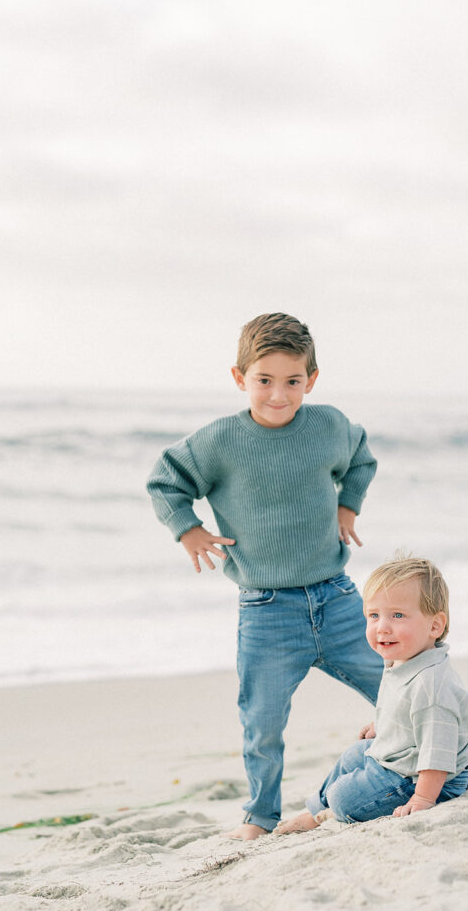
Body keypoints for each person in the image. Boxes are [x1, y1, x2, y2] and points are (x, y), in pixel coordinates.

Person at [146, 313, 384, 839]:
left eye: (292, 381)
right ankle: (260, 818)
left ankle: (459, 765)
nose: (279, 394)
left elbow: (362, 459)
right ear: (240, 378)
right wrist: (188, 530)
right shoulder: (221, 441)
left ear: (311, 380)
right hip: (267, 610)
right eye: (264, 380)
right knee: (263, 723)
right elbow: (166, 480)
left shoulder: (328, 426)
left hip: (337, 598)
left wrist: (348, 507)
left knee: (402, 684)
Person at [276, 555, 468, 834]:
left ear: (435, 626)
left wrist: (423, 799)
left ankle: (330, 811)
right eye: (374, 616)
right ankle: (316, 812)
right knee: (354, 754)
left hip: (421, 775)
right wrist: (385, 725)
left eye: (397, 615)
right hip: (406, 754)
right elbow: (404, 708)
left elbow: (436, 753)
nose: (382, 627)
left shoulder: (431, 685)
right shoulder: (404, 658)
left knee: (342, 798)